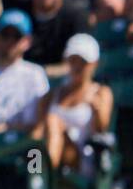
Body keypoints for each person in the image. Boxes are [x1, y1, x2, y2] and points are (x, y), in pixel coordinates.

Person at [37, 34, 113, 173]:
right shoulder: (51, 95)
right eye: (73, 60)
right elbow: (37, 133)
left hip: (83, 161)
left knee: (53, 120)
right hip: (51, 155)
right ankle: (35, 175)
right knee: (34, 148)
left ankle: (42, 178)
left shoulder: (101, 92)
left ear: (94, 63)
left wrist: (97, 109)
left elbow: (102, 130)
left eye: (83, 61)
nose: (77, 66)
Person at [0, 10, 50, 138]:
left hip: (17, 148)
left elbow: (37, 126)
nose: (10, 41)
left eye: (16, 37)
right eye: (5, 35)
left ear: (27, 41)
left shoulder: (35, 75)